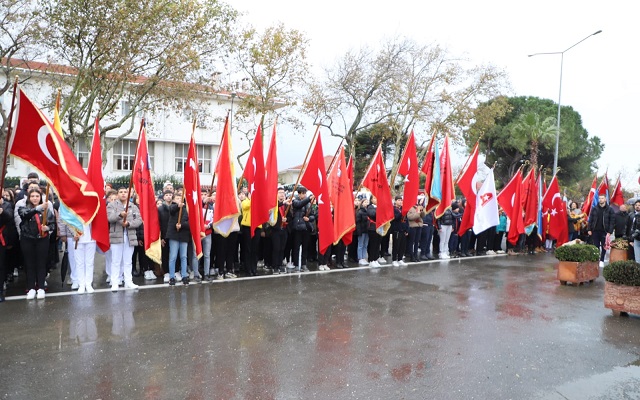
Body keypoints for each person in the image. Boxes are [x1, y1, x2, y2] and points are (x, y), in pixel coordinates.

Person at [18, 188, 55, 300]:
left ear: (41, 197)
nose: (35, 198)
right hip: (27, 239)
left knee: (41, 264)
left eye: (37, 196)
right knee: (30, 264)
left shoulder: (47, 210)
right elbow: (25, 215)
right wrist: (39, 208)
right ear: (29, 198)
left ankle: (41, 288)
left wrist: (47, 227)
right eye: (32, 196)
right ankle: (31, 288)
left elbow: (53, 224)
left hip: (42, 239)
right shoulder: (23, 208)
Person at [107, 187, 142, 291]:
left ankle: (128, 281)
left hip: (129, 236)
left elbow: (139, 220)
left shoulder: (133, 206)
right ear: (117, 194)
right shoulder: (111, 205)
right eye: (121, 192)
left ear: (128, 194)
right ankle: (115, 282)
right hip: (116, 237)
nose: (123, 194)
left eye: (125, 192)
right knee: (116, 261)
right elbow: (110, 218)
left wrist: (129, 224)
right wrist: (120, 215)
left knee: (128, 261)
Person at [167, 192, 190, 285]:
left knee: (184, 256)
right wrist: (177, 206)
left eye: (181, 199)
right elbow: (172, 210)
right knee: (173, 256)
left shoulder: (185, 210)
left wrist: (182, 225)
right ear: (173, 200)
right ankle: (172, 277)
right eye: (177, 198)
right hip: (174, 235)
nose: (179, 200)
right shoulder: (172, 208)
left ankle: (184, 275)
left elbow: (189, 223)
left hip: (184, 235)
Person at [587, 194, 615, 268]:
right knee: (595, 246)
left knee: (604, 246)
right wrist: (589, 229)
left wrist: (610, 231)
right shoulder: (595, 208)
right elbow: (591, 219)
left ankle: (602, 260)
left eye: (602, 198)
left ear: (605, 199)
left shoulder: (610, 209)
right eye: (599, 198)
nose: (600, 199)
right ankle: (596, 259)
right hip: (595, 230)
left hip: (604, 231)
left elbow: (612, 221)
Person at [290, 188, 314, 272]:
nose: (304, 195)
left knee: (305, 248)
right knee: (296, 248)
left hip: (306, 228)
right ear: (299, 194)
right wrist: (308, 199)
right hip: (297, 228)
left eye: (305, 193)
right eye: (302, 193)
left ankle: (304, 264)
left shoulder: (309, 204)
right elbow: (299, 205)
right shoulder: (295, 201)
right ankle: (296, 264)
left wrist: (309, 218)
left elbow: (313, 215)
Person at [73, 222, 97, 294]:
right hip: (78, 240)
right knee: (79, 263)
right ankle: (81, 284)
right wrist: (73, 233)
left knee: (89, 262)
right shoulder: (74, 210)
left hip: (91, 239)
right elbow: (68, 221)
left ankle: (88, 284)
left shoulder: (92, 210)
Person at [391, 195, 409, 266]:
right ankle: (394, 259)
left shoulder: (403, 209)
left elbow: (406, 220)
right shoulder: (393, 209)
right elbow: (396, 218)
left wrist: (407, 229)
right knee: (396, 245)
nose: (400, 201)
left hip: (403, 229)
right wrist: (402, 213)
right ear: (395, 201)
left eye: (401, 200)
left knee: (402, 245)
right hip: (396, 230)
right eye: (398, 200)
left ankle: (400, 259)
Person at [355, 196, 369, 266]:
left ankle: (364, 257)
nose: (366, 203)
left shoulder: (368, 211)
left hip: (367, 230)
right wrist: (359, 231)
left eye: (367, 202)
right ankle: (360, 258)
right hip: (362, 231)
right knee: (360, 244)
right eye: (365, 202)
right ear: (362, 203)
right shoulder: (360, 211)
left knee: (365, 245)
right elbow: (358, 223)